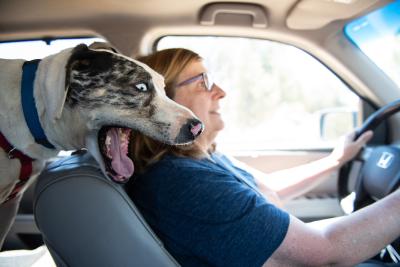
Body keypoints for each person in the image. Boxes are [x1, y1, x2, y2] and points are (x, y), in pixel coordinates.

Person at [126, 48, 400, 266]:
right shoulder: (184, 181)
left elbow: (268, 188)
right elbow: (324, 253)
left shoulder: (206, 158)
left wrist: (335, 160)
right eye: (203, 82)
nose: (221, 92)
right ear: (165, 102)